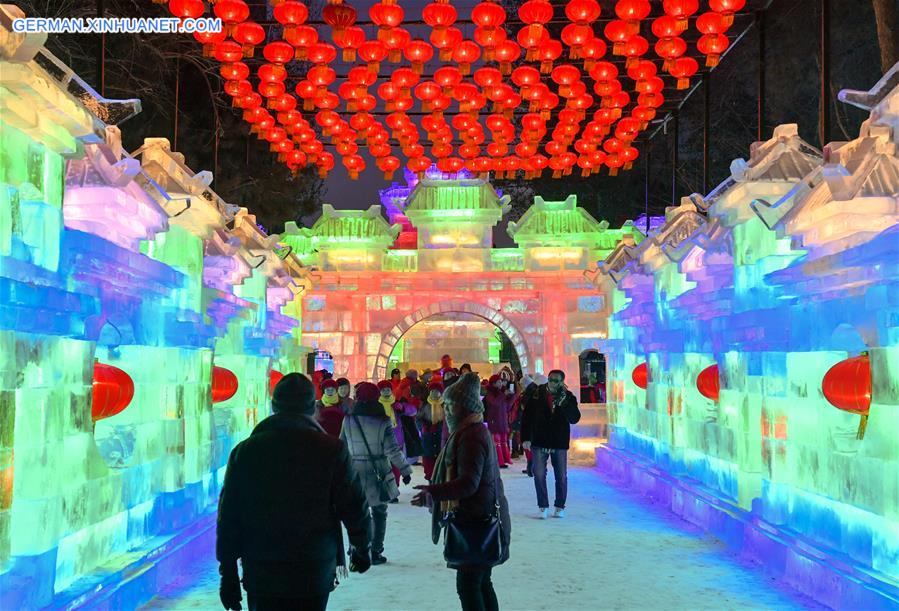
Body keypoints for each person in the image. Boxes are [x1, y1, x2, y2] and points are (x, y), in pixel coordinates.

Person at [216, 373, 371, 611]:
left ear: (273, 405)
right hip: (313, 566)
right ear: (312, 406)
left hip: (262, 568)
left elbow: (229, 516)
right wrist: (362, 546)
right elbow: (353, 504)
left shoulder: (246, 451)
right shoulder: (331, 450)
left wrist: (227, 574)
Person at [412, 373, 511, 611]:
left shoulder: (471, 436)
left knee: (469, 585)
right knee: (481, 581)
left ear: (463, 407)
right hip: (481, 515)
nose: (446, 409)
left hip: (476, 519)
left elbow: (469, 483)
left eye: (450, 404)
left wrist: (434, 492)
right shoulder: (469, 431)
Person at [341, 382, 413, 565]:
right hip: (377, 470)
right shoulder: (382, 421)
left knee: (357, 513)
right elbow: (392, 450)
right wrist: (404, 470)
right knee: (379, 512)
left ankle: (357, 548)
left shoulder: (349, 419)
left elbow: (341, 446)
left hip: (354, 471)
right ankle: (375, 551)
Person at [521, 370, 581, 519]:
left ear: (562, 382)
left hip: (559, 441)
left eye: (556, 381)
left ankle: (560, 506)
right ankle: (543, 505)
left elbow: (575, 418)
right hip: (539, 440)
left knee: (561, 476)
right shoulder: (536, 394)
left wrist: (565, 404)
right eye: (551, 380)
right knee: (539, 474)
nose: (553, 383)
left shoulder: (568, 397)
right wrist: (525, 438)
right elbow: (526, 417)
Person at [377, 379, 418, 487]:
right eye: (383, 390)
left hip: (396, 439)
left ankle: (395, 486)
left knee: (395, 465)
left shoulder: (396, 403)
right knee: (384, 465)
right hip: (380, 439)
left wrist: (402, 408)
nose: (386, 392)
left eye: (388, 389)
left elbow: (413, 411)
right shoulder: (376, 406)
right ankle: (387, 487)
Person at [483, 374, 513, 469]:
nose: (501, 384)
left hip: (502, 420)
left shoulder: (501, 393)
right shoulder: (490, 394)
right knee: (497, 443)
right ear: (493, 383)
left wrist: (511, 397)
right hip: (494, 421)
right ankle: (498, 461)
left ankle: (504, 459)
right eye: (499, 382)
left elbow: (507, 407)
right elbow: (495, 403)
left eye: (501, 382)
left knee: (503, 441)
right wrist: (503, 395)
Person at [418, 380, 446, 481]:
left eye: (437, 391)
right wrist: (424, 426)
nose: (434, 393)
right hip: (428, 436)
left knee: (440, 459)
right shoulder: (425, 404)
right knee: (429, 459)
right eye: (432, 391)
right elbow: (418, 418)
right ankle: (430, 478)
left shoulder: (445, 404)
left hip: (441, 436)